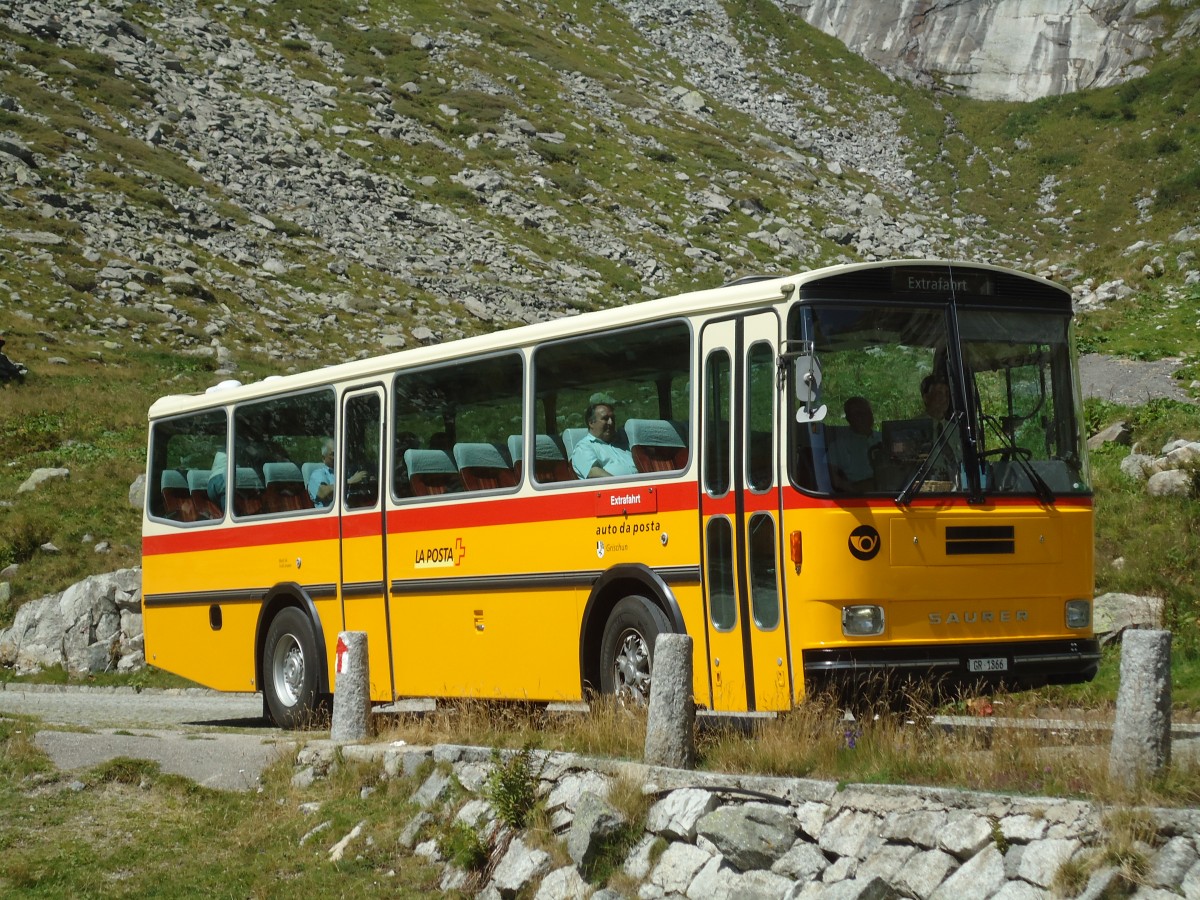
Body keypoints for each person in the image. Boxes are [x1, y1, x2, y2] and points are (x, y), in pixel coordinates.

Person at [571, 401, 638, 479]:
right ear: (591, 423)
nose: (611, 422)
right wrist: (622, 484)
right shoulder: (584, 447)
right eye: (605, 419)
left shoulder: (624, 442)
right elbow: (594, 473)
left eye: (612, 418)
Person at [829, 396, 881, 491]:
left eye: (866, 412)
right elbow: (830, 476)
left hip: (893, 491)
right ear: (849, 418)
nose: (864, 417)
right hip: (858, 495)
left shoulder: (884, 437)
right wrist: (851, 489)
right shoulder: (839, 445)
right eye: (858, 414)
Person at [308, 439, 367, 507]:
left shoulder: (348, 472)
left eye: (339, 453)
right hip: (331, 515)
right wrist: (349, 481)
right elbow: (322, 493)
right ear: (323, 458)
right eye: (333, 454)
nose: (337, 456)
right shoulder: (318, 473)